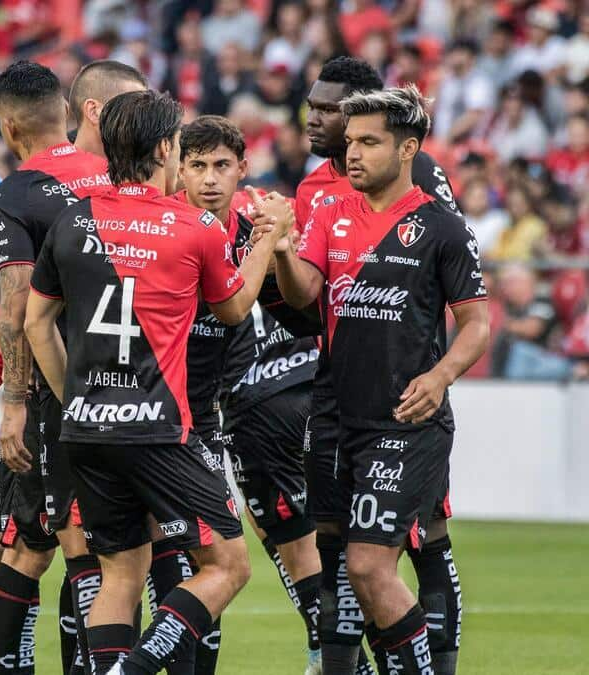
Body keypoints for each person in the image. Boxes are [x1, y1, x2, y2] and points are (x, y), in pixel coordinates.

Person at [24, 89, 289, 674]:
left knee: (120, 572)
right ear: (167, 148)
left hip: (86, 429)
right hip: (157, 427)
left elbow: (36, 323)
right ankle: (134, 669)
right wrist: (269, 236)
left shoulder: (74, 220)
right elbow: (235, 307)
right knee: (228, 565)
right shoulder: (192, 226)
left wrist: (77, 399)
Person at [272, 84, 489, 675]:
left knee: (369, 566)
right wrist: (286, 252)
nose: (354, 154)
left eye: (369, 142)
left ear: (407, 149)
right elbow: (304, 296)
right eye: (350, 143)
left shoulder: (443, 229)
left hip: (404, 420)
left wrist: (440, 377)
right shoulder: (330, 213)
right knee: (341, 563)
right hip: (336, 416)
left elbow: (476, 327)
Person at [0, 59, 146, 675]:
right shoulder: (119, 180)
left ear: (6, 125)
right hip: (118, 379)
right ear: (67, 111)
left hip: (37, 388)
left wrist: (8, 372)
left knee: (28, 544)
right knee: (97, 545)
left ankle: (5, 663)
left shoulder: (15, 192)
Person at [173, 116, 325, 674]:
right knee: (217, 555)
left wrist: (280, 245)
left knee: (246, 547)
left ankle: (330, 646)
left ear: (242, 169)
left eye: (222, 167)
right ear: (178, 170)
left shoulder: (253, 225)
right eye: (198, 166)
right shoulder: (168, 228)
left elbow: (303, 315)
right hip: (171, 415)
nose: (210, 179)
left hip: (235, 410)